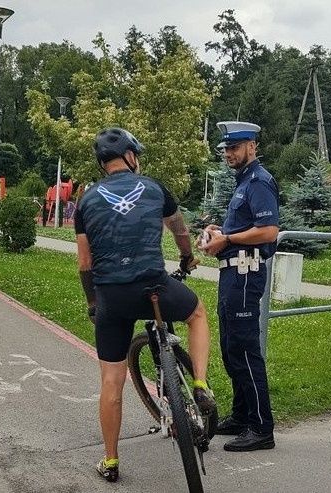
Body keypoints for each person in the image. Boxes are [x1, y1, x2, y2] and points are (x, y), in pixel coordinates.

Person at [76, 128, 216, 482]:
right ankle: (199, 384)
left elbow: (84, 263)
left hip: (112, 296)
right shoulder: (154, 188)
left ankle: (110, 461)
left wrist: (94, 302)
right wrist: (186, 258)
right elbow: (179, 229)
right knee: (197, 314)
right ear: (129, 156)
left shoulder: (87, 200)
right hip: (154, 289)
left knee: (111, 380)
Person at [199, 121, 280, 452]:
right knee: (232, 347)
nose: (229, 154)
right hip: (233, 275)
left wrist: (227, 238)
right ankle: (243, 415)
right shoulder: (244, 182)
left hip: (246, 275)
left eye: (235, 147)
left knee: (245, 349)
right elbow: (247, 224)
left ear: (252, 147)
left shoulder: (259, 181)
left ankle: (262, 428)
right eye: (225, 149)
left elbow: (269, 231)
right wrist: (220, 229)